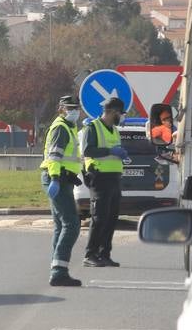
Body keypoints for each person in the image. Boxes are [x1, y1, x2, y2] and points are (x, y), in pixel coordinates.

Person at [40, 94, 85, 287]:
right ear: (61, 109)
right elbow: (55, 157)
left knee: (61, 226)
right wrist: (56, 179)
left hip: (61, 178)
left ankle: (57, 269)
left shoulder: (69, 127)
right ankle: (59, 271)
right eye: (70, 108)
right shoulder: (61, 128)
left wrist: (72, 175)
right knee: (71, 225)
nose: (74, 111)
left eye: (76, 108)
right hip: (55, 178)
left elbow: (67, 158)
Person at [80, 96, 128, 267]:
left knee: (111, 218)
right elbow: (87, 150)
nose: (121, 117)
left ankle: (104, 254)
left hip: (114, 178)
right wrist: (110, 151)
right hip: (99, 178)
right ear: (113, 112)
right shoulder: (92, 127)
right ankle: (90, 254)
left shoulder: (114, 130)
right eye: (120, 114)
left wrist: (121, 154)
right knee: (99, 217)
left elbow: (114, 152)